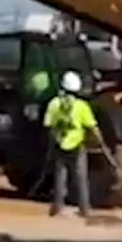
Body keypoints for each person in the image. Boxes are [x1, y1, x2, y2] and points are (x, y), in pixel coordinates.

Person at [43, 70, 99, 217]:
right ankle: (84, 209)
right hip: (77, 146)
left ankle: (57, 207)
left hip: (60, 145)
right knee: (80, 178)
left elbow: (49, 126)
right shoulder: (82, 106)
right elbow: (92, 126)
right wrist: (99, 141)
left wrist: (53, 142)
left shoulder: (54, 104)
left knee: (60, 178)